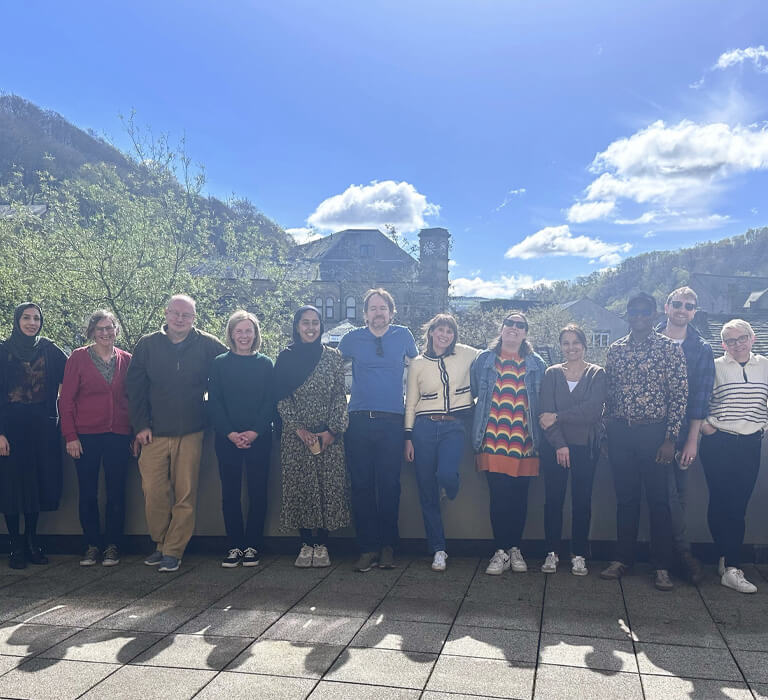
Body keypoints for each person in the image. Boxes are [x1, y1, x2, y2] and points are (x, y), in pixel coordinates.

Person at [126, 294, 227, 572]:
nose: (180, 319)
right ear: (166, 314)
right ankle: (160, 542)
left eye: (187, 315)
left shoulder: (207, 344)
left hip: (192, 431)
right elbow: (134, 389)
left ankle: (173, 550)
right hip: (153, 433)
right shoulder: (147, 345)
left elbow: (230, 368)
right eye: (176, 314)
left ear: (194, 318)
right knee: (154, 491)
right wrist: (140, 426)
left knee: (185, 494)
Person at [601, 292, 687, 591]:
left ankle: (661, 566)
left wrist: (671, 438)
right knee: (625, 499)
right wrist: (606, 433)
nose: (638, 316)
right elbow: (608, 395)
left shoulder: (668, 349)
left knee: (658, 501)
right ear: (627, 314)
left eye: (644, 311)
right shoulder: (615, 350)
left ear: (653, 315)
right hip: (621, 432)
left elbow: (679, 395)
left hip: (655, 434)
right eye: (633, 311)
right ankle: (622, 559)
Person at [339, 288, 418, 572]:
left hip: (392, 421)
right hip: (358, 420)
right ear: (365, 314)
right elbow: (332, 369)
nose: (378, 312)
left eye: (382, 308)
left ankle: (388, 547)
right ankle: (367, 547)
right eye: (372, 308)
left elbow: (420, 370)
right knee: (361, 486)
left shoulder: (404, 336)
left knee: (389, 486)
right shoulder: (351, 339)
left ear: (391, 312)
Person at [471, 311, 547, 576]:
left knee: (520, 499)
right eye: (510, 323)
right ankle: (500, 550)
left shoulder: (536, 363)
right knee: (499, 497)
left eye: (520, 325)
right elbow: (473, 392)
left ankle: (515, 549)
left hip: (526, 444)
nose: (514, 328)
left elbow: (543, 401)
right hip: (492, 442)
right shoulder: (484, 360)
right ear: (501, 328)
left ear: (526, 332)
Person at [275, 306, 349, 568]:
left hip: (327, 435)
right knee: (301, 488)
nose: (310, 327)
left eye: (315, 322)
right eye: (305, 322)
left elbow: (340, 396)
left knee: (327, 488)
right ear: (297, 326)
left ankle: (323, 544)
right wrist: (299, 429)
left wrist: (332, 431)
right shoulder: (285, 357)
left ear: (321, 326)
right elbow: (280, 397)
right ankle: (306, 543)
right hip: (296, 436)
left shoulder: (333, 357)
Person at [404, 314, 479, 572]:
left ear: (454, 335)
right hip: (423, 427)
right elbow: (410, 402)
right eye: (440, 330)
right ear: (431, 332)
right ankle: (438, 549)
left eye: (449, 331)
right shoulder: (417, 363)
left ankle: (449, 488)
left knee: (446, 473)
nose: (444, 335)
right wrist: (408, 436)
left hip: (454, 425)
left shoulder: (466, 354)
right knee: (426, 492)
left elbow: (493, 355)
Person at [699, 319, 768, 593]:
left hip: (750, 442)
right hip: (719, 441)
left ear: (752, 338)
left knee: (739, 504)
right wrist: (707, 427)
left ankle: (728, 561)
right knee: (720, 500)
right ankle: (729, 564)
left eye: (742, 338)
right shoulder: (714, 367)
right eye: (730, 340)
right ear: (723, 344)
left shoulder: (764, 365)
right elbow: (698, 398)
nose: (737, 344)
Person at [59, 310, 132, 567]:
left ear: (116, 330)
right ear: (92, 331)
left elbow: (132, 400)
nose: (105, 332)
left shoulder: (126, 359)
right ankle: (91, 545)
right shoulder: (78, 358)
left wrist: (133, 433)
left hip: (118, 435)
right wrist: (70, 436)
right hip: (86, 436)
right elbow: (65, 400)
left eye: (109, 328)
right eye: (100, 328)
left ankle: (113, 545)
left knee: (116, 492)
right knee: (88, 492)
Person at [0, 303, 68, 569]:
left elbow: (75, 375)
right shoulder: (3, 352)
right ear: (16, 320)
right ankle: (15, 545)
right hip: (10, 430)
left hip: (42, 429)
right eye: (26, 318)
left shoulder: (50, 350)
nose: (31, 322)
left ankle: (32, 541)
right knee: (11, 487)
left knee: (36, 485)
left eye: (36, 318)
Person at [656, 287, 714, 584]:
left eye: (689, 306)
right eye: (677, 304)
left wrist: (692, 439)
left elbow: (700, 399)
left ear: (694, 311)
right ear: (666, 307)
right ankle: (679, 557)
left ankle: (676, 558)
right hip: (649, 429)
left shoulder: (701, 348)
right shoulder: (649, 340)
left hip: (682, 434)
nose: (682, 309)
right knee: (662, 496)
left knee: (677, 495)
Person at [538, 324, 606, 576]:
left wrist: (558, 415)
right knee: (553, 501)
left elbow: (592, 411)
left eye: (575, 342)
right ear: (560, 347)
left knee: (582, 502)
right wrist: (560, 443)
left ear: (584, 345)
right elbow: (544, 416)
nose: (571, 348)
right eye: (565, 343)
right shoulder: (552, 374)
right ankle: (552, 552)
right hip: (555, 448)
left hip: (586, 448)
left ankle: (579, 553)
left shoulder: (596, 374)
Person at [207, 310, 274, 568]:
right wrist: (231, 433)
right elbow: (215, 402)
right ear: (231, 334)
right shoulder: (219, 363)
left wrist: (255, 431)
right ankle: (235, 545)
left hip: (260, 438)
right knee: (230, 494)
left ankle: (253, 546)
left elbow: (270, 401)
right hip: (227, 439)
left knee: (258, 493)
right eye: (239, 331)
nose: (244, 335)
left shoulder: (265, 364)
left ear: (255, 333)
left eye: (249, 331)